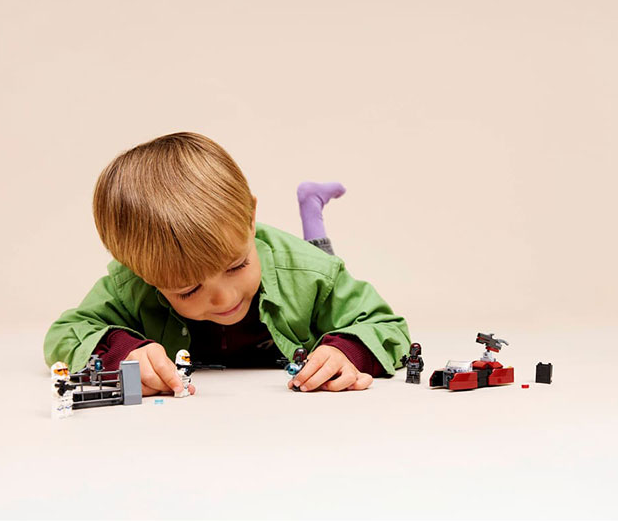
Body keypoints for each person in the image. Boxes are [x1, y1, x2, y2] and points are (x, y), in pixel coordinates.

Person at [43, 132, 411, 395]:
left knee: (320, 250)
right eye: (189, 290)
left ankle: (311, 205)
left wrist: (348, 351)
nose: (224, 298)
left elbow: (386, 326)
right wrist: (121, 352)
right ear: (140, 273)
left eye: (236, 266)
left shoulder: (311, 274)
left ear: (251, 218)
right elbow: (65, 333)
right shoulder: (131, 285)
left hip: (301, 264)